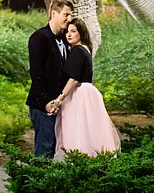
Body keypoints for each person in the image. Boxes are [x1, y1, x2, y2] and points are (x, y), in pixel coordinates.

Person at [48, 18, 121, 158]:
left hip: (79, 95)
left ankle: (81, 162)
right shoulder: (84, 49)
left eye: (73, 31)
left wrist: (59, 99)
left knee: (78, 132)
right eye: (67, 32)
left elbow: (74, 79)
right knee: (90, 131)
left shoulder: (77, 51)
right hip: (87, 92)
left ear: (81, 33)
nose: (69, 34)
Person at [26, 0, 74, 157]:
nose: (69, 19)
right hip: (42, 105)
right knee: (44, 150)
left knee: (53, 149)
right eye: (66, 14)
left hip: (58, 104)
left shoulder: (64, 39)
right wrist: (46, 102)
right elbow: (36, 74)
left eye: (71, 15)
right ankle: (37, 181)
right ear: (54, 13)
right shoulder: (39, 38)